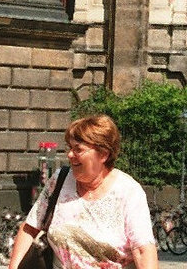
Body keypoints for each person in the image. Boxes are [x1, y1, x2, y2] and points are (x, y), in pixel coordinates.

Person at [8, 114, 157, 269]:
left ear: (103, 154)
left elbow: (142, 251)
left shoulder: (129, 192)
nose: (70, 154)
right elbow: (29, 228)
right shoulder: (60, 180)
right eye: (70, 148)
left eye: (78, 149)